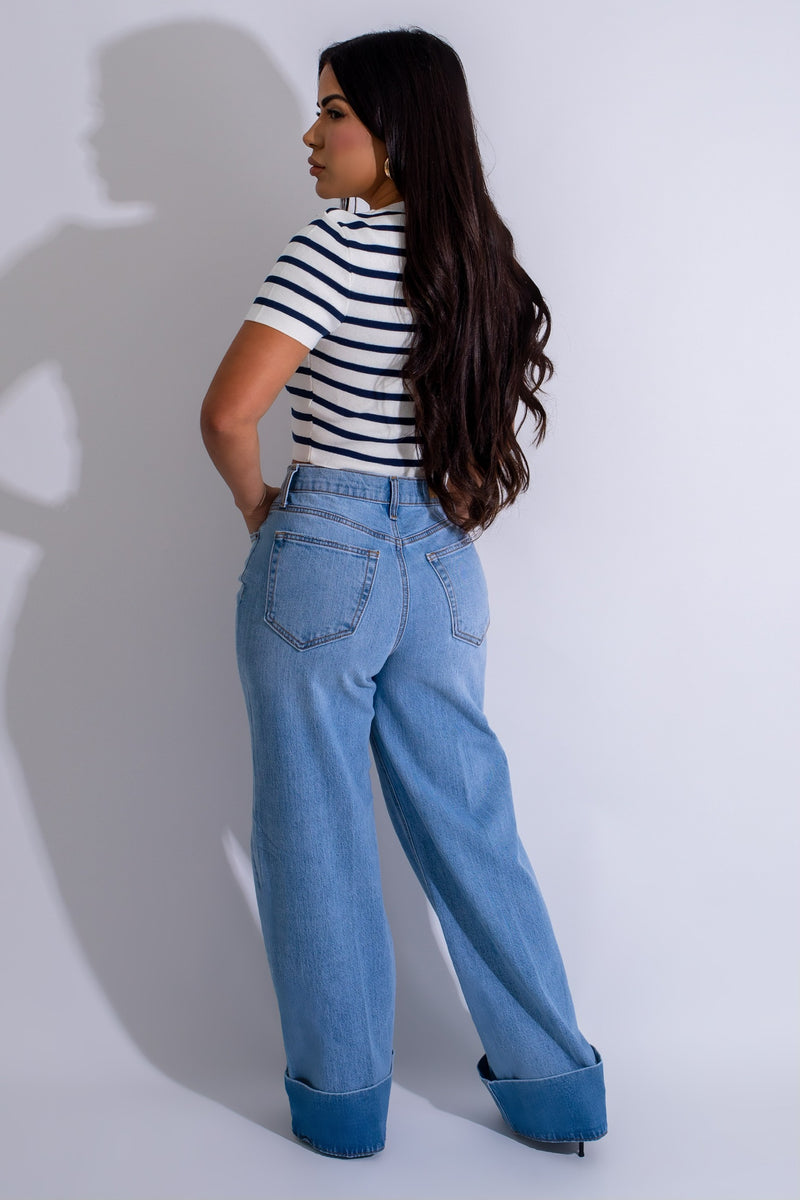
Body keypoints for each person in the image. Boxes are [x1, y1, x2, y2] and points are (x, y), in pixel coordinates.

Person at [200, 27, 607, 1160]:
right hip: (442, 563)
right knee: (472, 825)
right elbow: (473, 445)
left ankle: (343, 1112)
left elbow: (227, 414)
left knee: (314, 833)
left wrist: (259, 507)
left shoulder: (332, 247)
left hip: (323, 548)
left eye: (334, 111)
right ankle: (557, 1094)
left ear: (396, 129)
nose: (311, 133)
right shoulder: (478, 262)